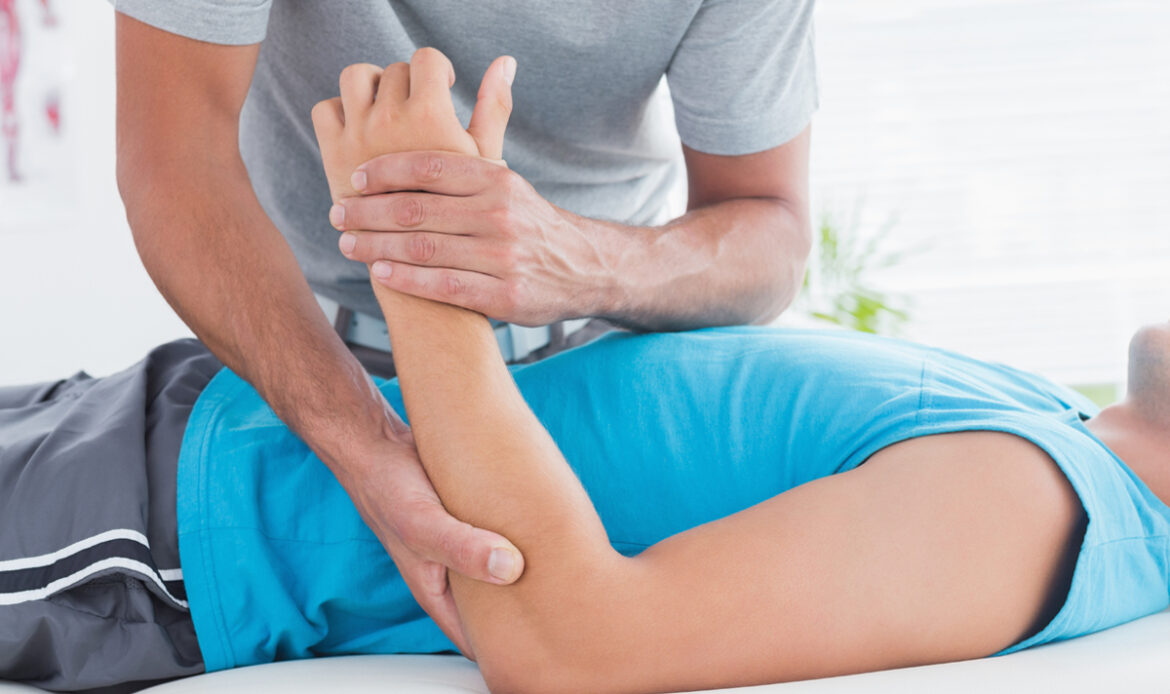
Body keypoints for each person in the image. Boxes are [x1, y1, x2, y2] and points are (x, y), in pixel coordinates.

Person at [2, 51, 1168, 693]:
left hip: (186, 532)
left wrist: (417, 239)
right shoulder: (1052, 423)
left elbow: (572, 646)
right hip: (196, 407)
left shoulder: (1041, 513)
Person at [110, 0, 818, 632]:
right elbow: (174, 160)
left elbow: (772, 231)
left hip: (611, 339)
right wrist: (363, 444)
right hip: (311, 351)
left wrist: (579, 259)